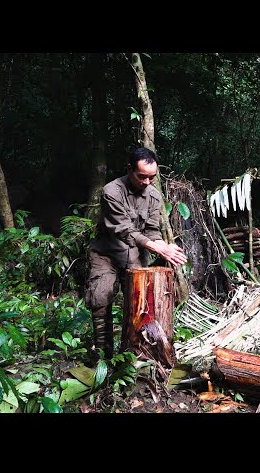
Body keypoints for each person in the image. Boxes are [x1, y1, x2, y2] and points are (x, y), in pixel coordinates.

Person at [84, 147, 188, 360]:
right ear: (129, 169)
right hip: (107, 254)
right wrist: (157, 247)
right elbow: (123, 230)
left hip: (137, 256)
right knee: (100, 297)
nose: (147, 182)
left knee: (139, 304)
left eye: (152, 177)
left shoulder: (154, 196)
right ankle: (103, 355)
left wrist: (165, 246)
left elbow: (151, 229)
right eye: (142, 177)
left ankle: (134, 353)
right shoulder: (111, 191)